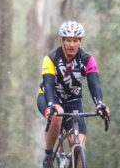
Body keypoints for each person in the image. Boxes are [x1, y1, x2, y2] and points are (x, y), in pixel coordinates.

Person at [37, 21, 110, 168]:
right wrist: (51, 104)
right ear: (62, 40)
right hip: (49, 97)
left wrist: (99, 104)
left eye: (75, 40)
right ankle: (48, 155)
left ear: (80, 41)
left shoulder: (87, 60)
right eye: (68, 40)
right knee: (57, 115)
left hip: (74, 101)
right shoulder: (51, 59)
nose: (72, 44)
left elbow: (94, 83)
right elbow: (49, 84)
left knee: (78, 146)